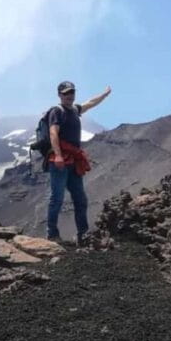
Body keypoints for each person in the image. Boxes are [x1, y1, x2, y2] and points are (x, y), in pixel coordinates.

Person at [46, 81, 110, 244]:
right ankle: (52, 234)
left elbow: (90, 103)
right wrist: (58, 155)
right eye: (66, 93)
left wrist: (104, 94)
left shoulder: (75, 110)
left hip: (74, 161)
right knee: (57, 198)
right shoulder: (57, 111)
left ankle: (83, 235)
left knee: (80, 199)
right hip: (61, 161)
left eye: (72, 92)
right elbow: (53, 133)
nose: (70, 96)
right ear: (60, 95)